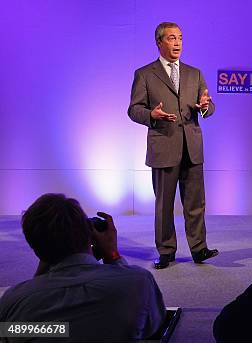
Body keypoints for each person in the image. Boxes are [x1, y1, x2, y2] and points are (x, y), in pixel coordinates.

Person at [0, 193, 166, 342]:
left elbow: (57, 330)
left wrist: (40, 273)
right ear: (89, 233)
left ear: (35, 247)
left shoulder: (14, 302)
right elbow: (152, 328)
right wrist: (113, 255)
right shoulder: (138, 283)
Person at [128, 22, 218, 269]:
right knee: (164, 204)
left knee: (195, 203)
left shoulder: (194, 73)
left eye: (180, 38)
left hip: (192, 147)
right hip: (164, 146)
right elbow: (133, 109)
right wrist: (151, 116)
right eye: (171, 38)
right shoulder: (145, 74)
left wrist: (205, 107)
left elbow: (209, 105)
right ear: (159, 42)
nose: (178, 43)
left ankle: (199, 249)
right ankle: (166, 251)